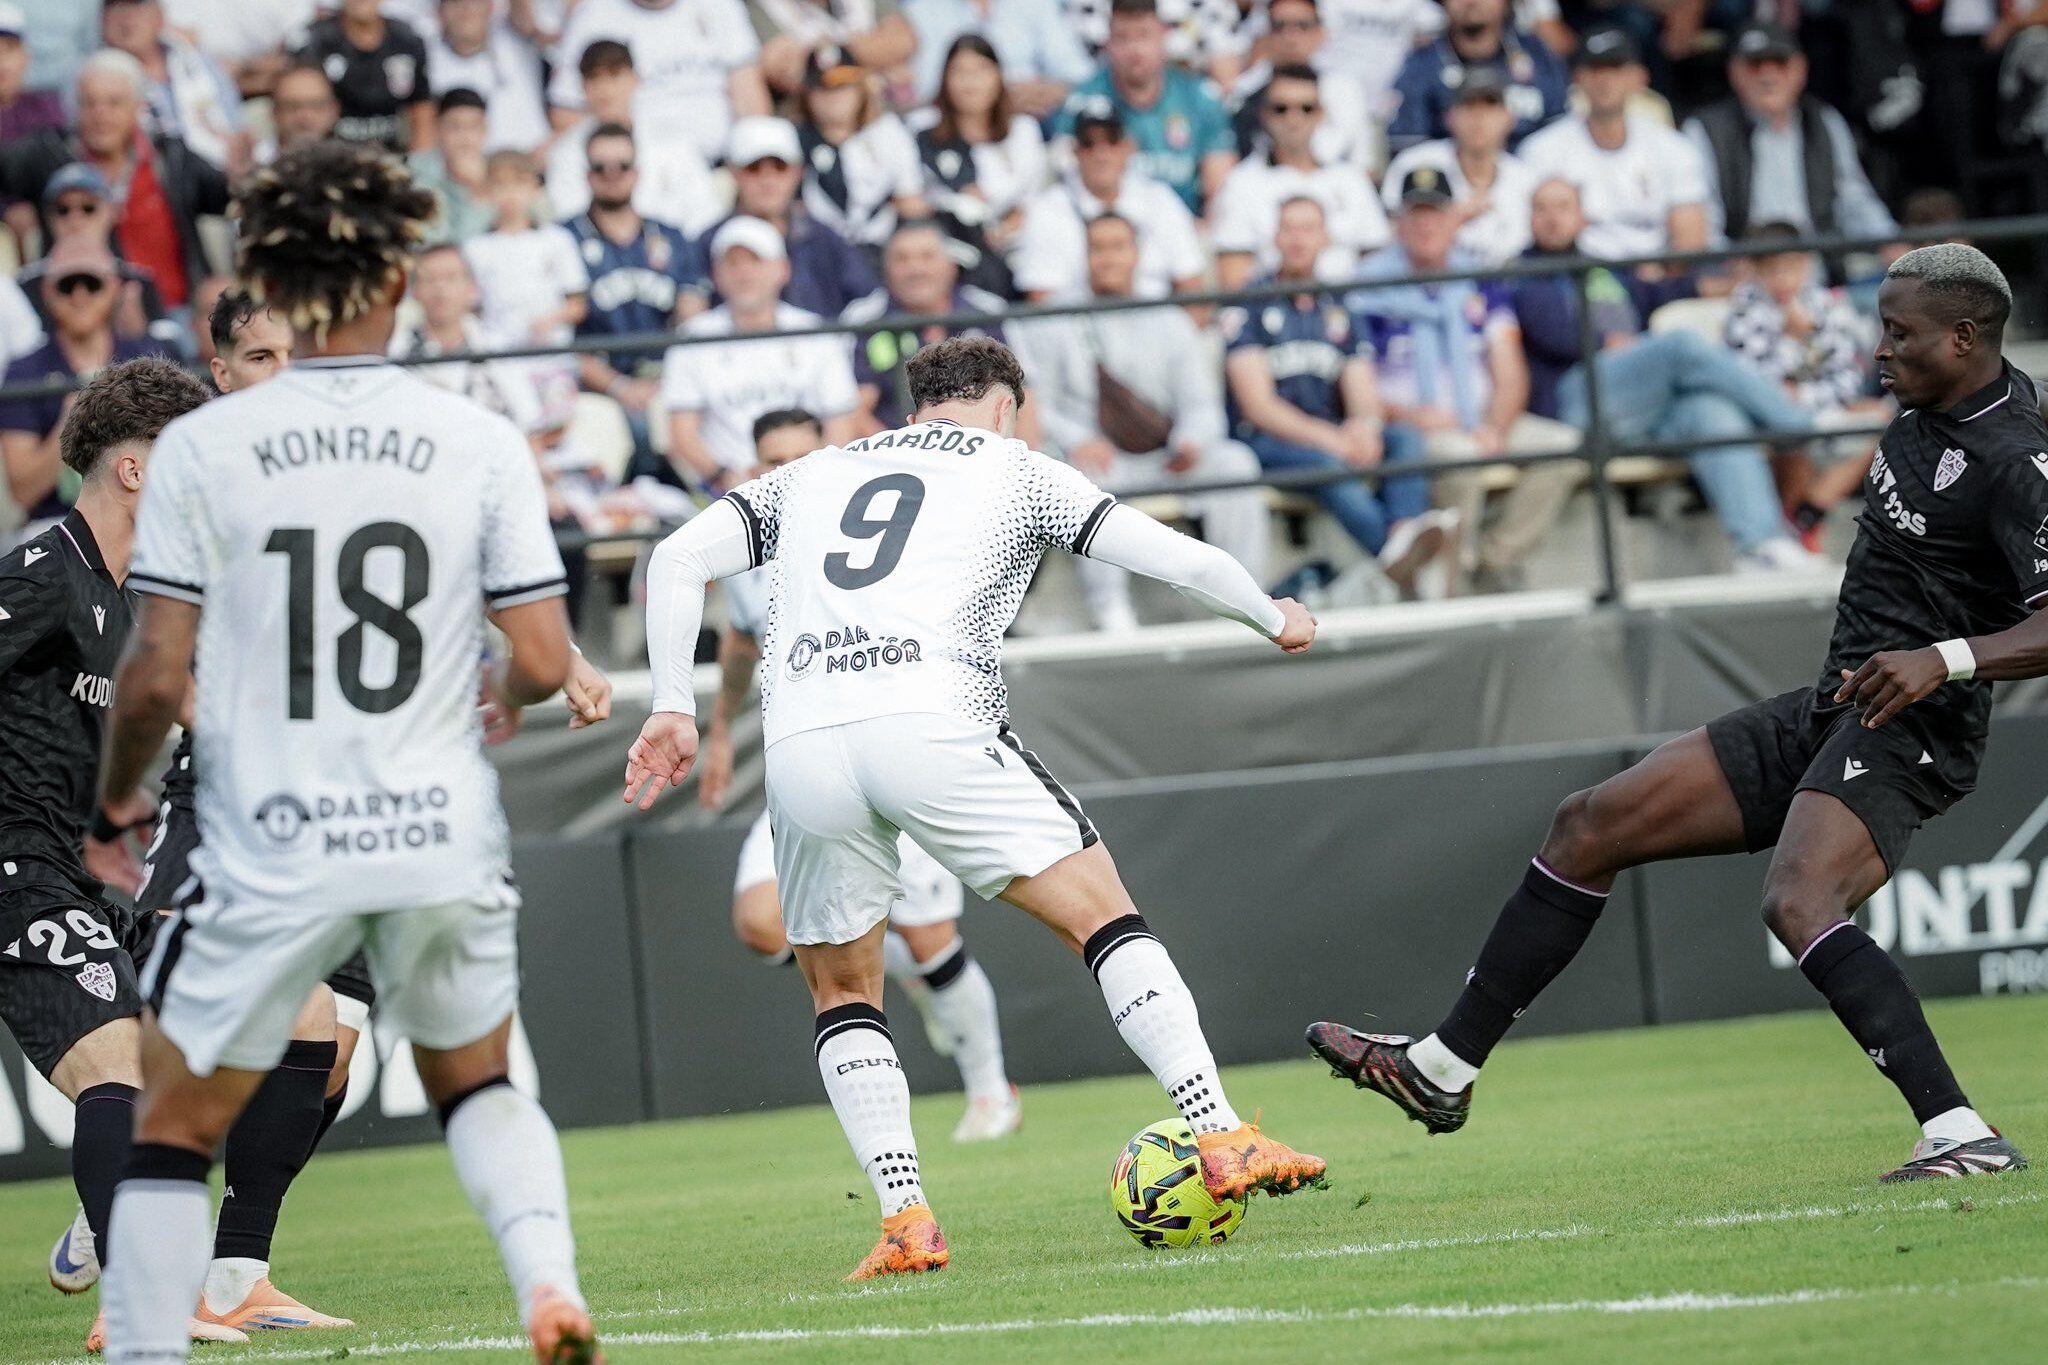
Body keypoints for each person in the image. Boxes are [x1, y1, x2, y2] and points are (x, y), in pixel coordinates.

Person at [1310, 243, 2043, 1186]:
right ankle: (1441, 1070)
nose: (1879, 351)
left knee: (1798, 899)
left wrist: (1943, 659)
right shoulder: (1927, 409)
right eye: (1880, 328)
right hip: (1840, 703)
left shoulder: (2014, 456)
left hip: (1916, 726)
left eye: (1900, 335)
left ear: (1966, 334)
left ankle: (1959, 1132)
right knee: (1589, 822)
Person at [626, 334, 1328, 1279]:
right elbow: (1178, 557)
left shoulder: (814, 471)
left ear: (916, 405)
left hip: (801, 741)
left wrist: (672, 703)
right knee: (1104, 917)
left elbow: (675, 557)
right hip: (932, 718)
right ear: (1007, 404)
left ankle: (905, 1217)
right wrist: (1275, 614)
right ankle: (1221, 1131)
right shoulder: (1019, 468)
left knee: (842, 990)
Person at [96, 138, 597, 1365]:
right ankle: (545, 1286)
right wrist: (500, 695)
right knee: (478, 1079)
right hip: (435, 824)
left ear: (277, 270)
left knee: (168, 1123)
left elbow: (157, 675)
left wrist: (115, 807)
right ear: (392, 279)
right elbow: (539, 653)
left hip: (273, 834)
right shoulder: (473, 435)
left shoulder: (207, 448)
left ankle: (155, 1341)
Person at [66, 299, 363, 1339]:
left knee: (333, 1050)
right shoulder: (183, 494)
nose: (287, 374)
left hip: (328, 798)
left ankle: (222, 1263)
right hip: (221, 801)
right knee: (290, 1021)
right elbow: (152, 657)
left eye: (300, 353)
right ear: (223, 372)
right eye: (261, 356)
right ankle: (141, 1204)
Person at [0, 359, 248, 1353]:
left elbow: (197, 707)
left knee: (181, 1068)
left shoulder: (139, 596)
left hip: (63, 864)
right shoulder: (41, 574)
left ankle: (105, 1222)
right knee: (127, 1076)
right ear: (139, 469)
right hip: (12, 866)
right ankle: (139, 1299)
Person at [701, 408, 1025, 1143]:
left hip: (896, 757)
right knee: (760, 921)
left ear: (828, 459)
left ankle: (990, 1091)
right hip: (811, 773)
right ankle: (903, 969)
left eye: (796, 455)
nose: (781, 470)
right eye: (767, 460)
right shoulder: (748, 556)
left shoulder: (877, 532)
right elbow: (741, 645)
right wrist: (718, 729)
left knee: (932, 929)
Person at [1511, 180, 1823, 576]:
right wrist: (1604, 340)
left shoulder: (1603, 270)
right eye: (1542, 209)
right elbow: (1546, 327)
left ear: (1582, 218)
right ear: (1529, 217)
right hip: (1575, 401)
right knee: (1680, 346)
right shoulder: (1520, 273)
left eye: (1563, 208)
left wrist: (1720, 283)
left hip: (1637, 408)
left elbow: (1657, 292)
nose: (1553, 218)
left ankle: (1759, 547)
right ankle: (1796, 424)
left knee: (1710, 411)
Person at [1015, 213, 1270, 632]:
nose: (1108, 258)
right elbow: (1035, 404)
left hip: (1167, 457)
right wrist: (1079, 440)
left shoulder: (1167, 317)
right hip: (1097, 459)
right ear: (1085, 255)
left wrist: (1190, 442)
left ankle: (1248, 599)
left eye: (1119, 247)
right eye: (1099, 248)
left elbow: (1202, 405)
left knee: (1235, 463)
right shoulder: (1054, 318)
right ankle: (1111, 612)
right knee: (1082, 479)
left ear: (1136, 255)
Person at [1349, 167, 1580, 594]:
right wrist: (1410, 416)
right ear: (1398, 223)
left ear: (1454, 218)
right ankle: (1451, 585)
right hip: (1416, 425)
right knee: (1459, 455)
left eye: (1435, 213)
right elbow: (1356, 381)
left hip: (1481, 418)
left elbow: (1508, 365)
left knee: (1563, 447)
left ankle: (1491, 559)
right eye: (1415, 214)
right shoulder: (1368, 287)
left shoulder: (1478, 277)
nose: (1426, 225)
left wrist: (1495, 424)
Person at [1224, 196, 1451, 597]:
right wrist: (1334, 439)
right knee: (1329, 464)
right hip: (1269, 442)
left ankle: (1402, 536)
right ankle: (1401, 562)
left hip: (1331, 432)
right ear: (1275, 237)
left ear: (1325, 238)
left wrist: (1364, 426)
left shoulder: (1338, 303)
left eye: (1308, 228)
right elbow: (1258, 407)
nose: (1298, 239)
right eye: (1289, 228)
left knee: (1406, 438)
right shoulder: (1250, 302)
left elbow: (1361, 385)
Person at [0, 50, 231, 315]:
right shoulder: (47, 153)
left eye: (114, 103)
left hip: (181, 313)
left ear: (138, 106)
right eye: (89, 103)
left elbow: (228, 198)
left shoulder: (171, 156)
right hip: (89, 319)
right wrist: (6, 210)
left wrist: (239, 172)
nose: (101, 115)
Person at [661, 215, 860, 489]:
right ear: (716, 274)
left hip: (812, 485)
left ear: (783, 269)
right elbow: (682, 434)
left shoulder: (816, 332)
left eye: (755, 260)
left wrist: (820, 482)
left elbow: (841, 423)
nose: (744, 272)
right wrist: (724, 478)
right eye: (732, 262)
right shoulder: (692, 338)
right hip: (728, 493)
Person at [1724, 223, 1889, 546]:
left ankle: (1805, 517)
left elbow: (1846, 376)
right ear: (1753, 270)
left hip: (1821, 411)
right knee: (1792, 429)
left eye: (1791, 269)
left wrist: (1808, 343)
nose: (1783, 280)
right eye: (1772, 272)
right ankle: (1790, 528)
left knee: (1886, 423)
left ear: (1805, 264)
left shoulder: (1824, 305)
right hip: (1769, 421)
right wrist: (1790, 342)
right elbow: (1754, 385)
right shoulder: (1743, 310)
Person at [1682, 22, 1897, 254]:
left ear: (1800, 69)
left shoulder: (1824, 120)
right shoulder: (1704, 129)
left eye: (1779, 63)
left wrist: (1891, 245)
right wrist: (1734, 267)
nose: (1768, 75)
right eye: (1755, 65)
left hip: (1821, 270)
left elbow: (1854, 201)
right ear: (1734, 72)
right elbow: (1704, 219)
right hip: (1744, 274)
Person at [0, 240, 167, 531]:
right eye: (67, 285)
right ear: (48, 292)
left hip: (142, 518)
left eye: (91, 283)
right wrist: (72, 422)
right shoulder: (24, 370)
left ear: (114, 286)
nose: (80, 296)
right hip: (54, 523)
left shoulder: (148, 361)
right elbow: (23, 491)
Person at [566, 123, 707, 465]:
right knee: (637, 429)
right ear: (587, 175)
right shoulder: (563, 241)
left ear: (637, 173)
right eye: (601, 167)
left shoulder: (671, 238)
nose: (612, 175)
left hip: (666, 379)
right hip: (595, 384)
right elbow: (558, 338)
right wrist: (618, 386)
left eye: (622, 166)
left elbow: (694, 320)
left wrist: (666, 380)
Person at [1517, 28, 1708, 266]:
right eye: (1595, 69)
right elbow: (1530, 234)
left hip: (1659, 281)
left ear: (1640, 77)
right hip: (1577, 279)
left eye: (1616, 68)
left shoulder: (1674, 148)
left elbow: (1691, 242)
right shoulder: (1541, 150)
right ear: (1577, 78)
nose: (1605, 80)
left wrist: (1658, 286)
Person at [1209, 61, 1389, 289]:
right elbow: (1234, 280)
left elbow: (1378, 265)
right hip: (1272, 309)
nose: (1294, 119)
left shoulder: (1352, 180)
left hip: (1348, 309)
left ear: (1321, 114)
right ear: (1264, 114)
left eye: (1306, 108)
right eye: (1281, 108)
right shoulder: (1241, 183)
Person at [1053, 0, 1237, 215]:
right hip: (1107, 229)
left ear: (1164, 37)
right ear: (1108, 43)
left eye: (1144, 36)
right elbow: (1068, 182)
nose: (1135, 50)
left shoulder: (1200, 97)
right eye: (1123, 38)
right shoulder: (1081, 102)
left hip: (1187, 229)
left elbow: (1221, 190)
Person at [1011, 105, 1202, 302]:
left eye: (1111, 141)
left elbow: (1192, 287)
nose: (1100, 154)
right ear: (1075, 152)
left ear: (1128, 147)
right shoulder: (1047, 210)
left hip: (1156, 323)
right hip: (1078, 326)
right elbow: (1040, 300)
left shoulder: (1160, 200)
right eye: (1088, 144)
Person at [842, 218, 1014, 434]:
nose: (915, 269)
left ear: (952, 265)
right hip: (895, 454)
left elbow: (1020, 394)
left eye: (927, 256)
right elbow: (853, 410)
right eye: (902, 259)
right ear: (885, 268)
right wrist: (901, 453)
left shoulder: (988, 311)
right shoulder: (865, 319)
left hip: (982, 452)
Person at [546, 0, 770, 165]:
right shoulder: (593, 15)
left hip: (720, 166)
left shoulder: (719, 6)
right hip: (635, 168)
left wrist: (747, 164)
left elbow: (751, 100)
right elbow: (566, 112)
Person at [462, 148, 588, 427]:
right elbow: (471, 309)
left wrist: (551, 320)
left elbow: (577, 304)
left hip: (552, 359)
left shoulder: (557, 240)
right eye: (500, 185)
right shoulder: (476, 248)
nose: (510, 195)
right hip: (499, 363)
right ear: (487, 191)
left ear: (534, 188)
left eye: (518, 184)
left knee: (557, 427)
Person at [543, 40, 721, 237]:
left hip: (675, 255)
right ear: (583, 87)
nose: (605, 89)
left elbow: (702, 212)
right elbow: (572, 220)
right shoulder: (566, 152)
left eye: (614, 75)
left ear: (635, 79)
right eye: (594, 78)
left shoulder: (674, 142)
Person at [907, 34, 1050, 276]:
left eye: (981, 71)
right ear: (945, 79)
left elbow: (1032, 199)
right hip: (950, 250)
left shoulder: (1023, 130)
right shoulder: (922, 130)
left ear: (998, 76)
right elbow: (915, 199)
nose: (970, 82)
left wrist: (1004, 230)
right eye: (959, 72)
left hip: (1013, 246)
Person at [713, 115, 878, 319]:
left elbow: (868, 297)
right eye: (753, 168)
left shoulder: (826, 239)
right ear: (734, 173)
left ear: (799, 172)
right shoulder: (708, 242)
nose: (768, 180)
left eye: (780, 167)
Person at [1381, 65, 1537, 266]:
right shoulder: (1416, 163)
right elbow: (1390, 239)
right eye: (1469, 106)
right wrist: (1452, 220)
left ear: (1509, 118)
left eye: (1490, 106)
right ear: (1449, 117)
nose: (1479, 118)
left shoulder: (1526, 179)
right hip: (1434, 286)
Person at [1387, 0, 1568, 156]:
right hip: (1449, 182)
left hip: (1526, 181)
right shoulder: (1422, 64)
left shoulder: (1537, 54)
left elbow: (1560, 134)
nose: (1472, 2)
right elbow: (1407, 147)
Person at [793, 47, 929, 250]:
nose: (834, 96)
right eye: (823, 87)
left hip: (880, 248)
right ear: (807, 94)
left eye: (843, 85)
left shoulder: (889, 133)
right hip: (815, 251)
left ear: (861, 87)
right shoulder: (793, 138)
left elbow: (911, 204)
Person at [98, 0, 246, 174]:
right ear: (102, 21)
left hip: (217, 174)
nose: (128, 18)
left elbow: (237, 131)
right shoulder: (93, 80)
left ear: (160, 17)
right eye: (117, 8)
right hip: (148, 180)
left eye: (138, 6)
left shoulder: (199, 64)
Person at [1226, 0, 1373, 170]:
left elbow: (1363, 163)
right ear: (1265, 34)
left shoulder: (1345, 92)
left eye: (1303, 26)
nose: (1291, 37)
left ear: (1321, 33)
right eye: (1279, 26)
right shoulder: (1241, 95)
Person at [902, 0, 1095, 116]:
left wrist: (1050, 90)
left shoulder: (1035, 4)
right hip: (955, 128)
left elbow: (1080, 76)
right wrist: (997, 95)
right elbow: (926, 88)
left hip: (1031, 121)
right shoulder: (923, 10)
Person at [292, 0, 434, 151]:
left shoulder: (407, 40)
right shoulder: (314, 41)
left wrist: (418, 163)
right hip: (330, 155)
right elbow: (299, 108)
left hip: (392, 156)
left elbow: (422, 112)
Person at [425, 0, 548, 155]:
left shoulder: (514, 35)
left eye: (475, 2)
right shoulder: (423, 54)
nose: (466, 9)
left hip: (526, 165)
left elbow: (527, 19)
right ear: (439, 11)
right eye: (454, 2)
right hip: (450, 171)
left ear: (491, 6)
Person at [752, 0, 919, 101]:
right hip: (812, 130)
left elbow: (903, 41)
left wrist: (822, 54)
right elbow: (789, 72)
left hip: (882, 116)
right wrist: (873, 57)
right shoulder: (763, 5)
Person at [407, 87, 495, 246]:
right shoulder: (414, 171)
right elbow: (432, 240)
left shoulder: (499, 168)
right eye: (455, 126)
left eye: (473, 126)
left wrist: (481, 186)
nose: (465, 137)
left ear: (485, 130)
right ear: (437, 128)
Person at [262, 62, 341, 160]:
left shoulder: (355, 165)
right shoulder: (253, 163)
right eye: (292, 107)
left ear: (334, 110)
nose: (305, 116)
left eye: (316, 106)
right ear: (274, 112)